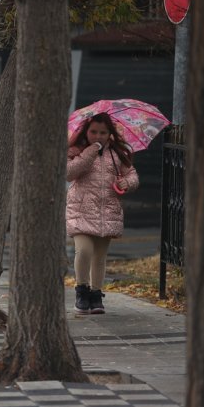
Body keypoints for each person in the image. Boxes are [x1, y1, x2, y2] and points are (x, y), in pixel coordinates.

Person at [66, 112, 139, 314]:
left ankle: (96, 294)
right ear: (86, 131)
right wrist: (90, 152)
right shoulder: (76, 150)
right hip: (80, 210)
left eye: (103, 133)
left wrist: (127, 183)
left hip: (107, 212)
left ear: (109, 134)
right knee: (84, 250)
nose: (98, 136)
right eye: (93, 132)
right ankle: (82, 291)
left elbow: (132, 175)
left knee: (99, 256)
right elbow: (69, 172)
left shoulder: (117, 154)